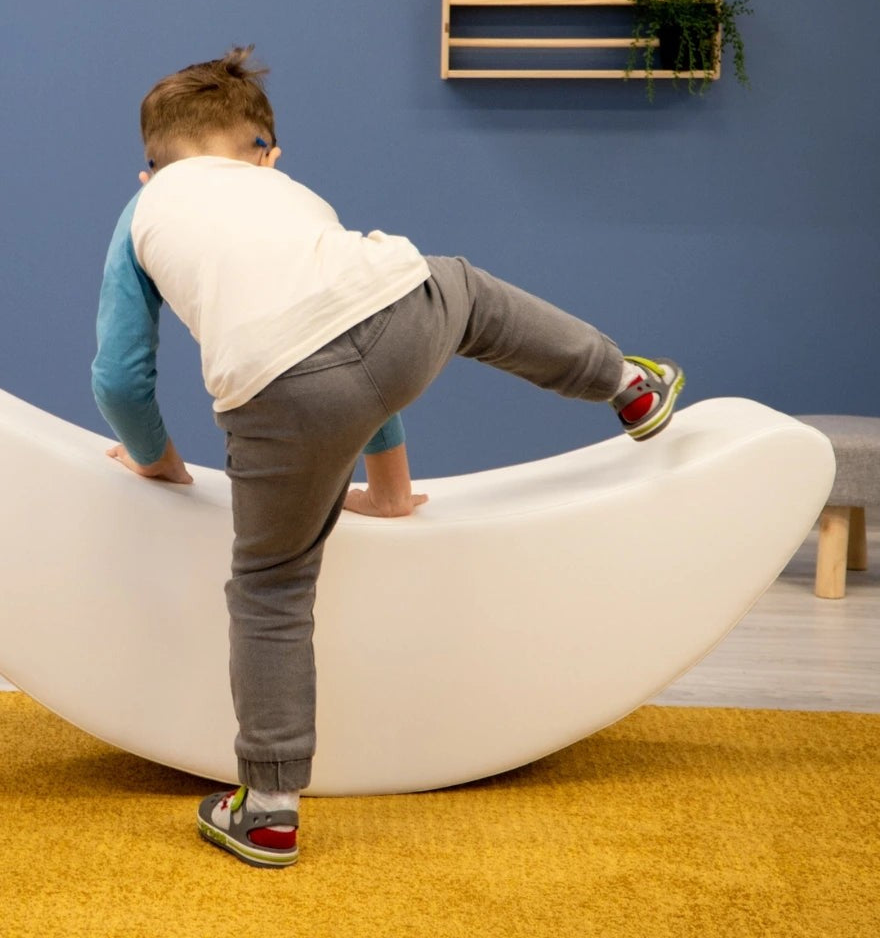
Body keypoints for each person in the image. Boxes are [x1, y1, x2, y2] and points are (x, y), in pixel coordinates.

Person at [90, 46, 684, 869]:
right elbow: (355, 352)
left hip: (275, 392)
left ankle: (266, 807)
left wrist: (158, 460)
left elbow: (121, 373)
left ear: (149, 168)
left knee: (271, 585)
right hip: (403, 314)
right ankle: (626, 383)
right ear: (265, 150)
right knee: (468, 293)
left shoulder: (144, 210)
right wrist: (390, 490)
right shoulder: (285, 192)